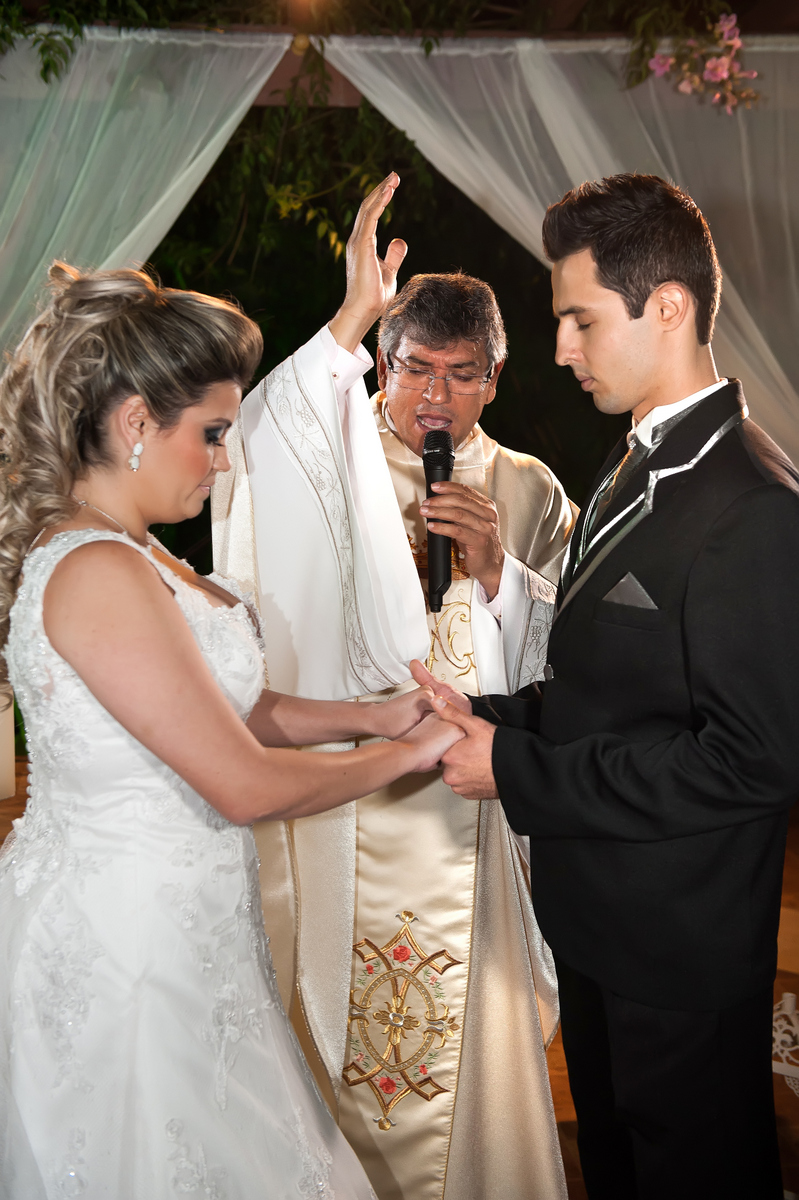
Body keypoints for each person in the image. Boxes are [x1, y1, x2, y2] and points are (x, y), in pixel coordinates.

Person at [0, 262, 460, 1200]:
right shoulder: (96, 570)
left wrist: (376, 713)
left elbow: (223, 711)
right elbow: (240, 780)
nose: (220, 460)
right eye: (210, 434)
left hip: (184, 922)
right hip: (130, 949)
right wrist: (405, 755)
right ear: (135, 424)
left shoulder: (133, 549)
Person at [424, 173, 799, 1199]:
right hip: (600, 932)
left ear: (667, 308)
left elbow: (751, 762)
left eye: (580, 320)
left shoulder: (755, 506)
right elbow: (612, 689)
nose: (559, 349)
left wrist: (518, 772)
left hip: (678, 964)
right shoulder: (637, 462)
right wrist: (484, 715)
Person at [213, 174, 575, 1199]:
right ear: (381, 358)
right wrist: (348, 309)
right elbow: (253, 445)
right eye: (415, 367)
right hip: (342, 802)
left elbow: (572, 668)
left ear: (495, 380)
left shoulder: (530, 488)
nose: (433, 398)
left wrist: (501, 574)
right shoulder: (327, 453)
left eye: (462, 377)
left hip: (471, 812)